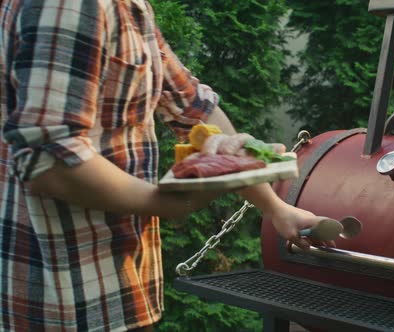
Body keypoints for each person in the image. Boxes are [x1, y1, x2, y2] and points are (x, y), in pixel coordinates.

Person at [0, 0, 322, 331]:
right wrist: (163, 204)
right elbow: (49, 159)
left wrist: (275, 207)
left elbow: (194, 109)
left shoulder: (130, 7)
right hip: (63, 291)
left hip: (121, 281)